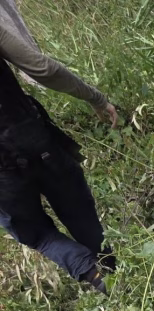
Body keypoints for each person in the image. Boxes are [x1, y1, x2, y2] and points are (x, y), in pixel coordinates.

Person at [0, 2, 118, 294]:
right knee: (78, 210)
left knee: (36, 233)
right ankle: (114, 268)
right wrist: (95, 98)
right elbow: (42, 68)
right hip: (32, 135)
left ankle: (95, 274)